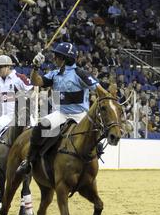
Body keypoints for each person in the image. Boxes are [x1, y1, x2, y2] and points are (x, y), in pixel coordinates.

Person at [16, 42, 104, 175]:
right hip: (61, 114)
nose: (54, 58)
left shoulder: (81, 73)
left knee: (96, 132)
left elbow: (99, 89)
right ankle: (29, 161)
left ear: (65, 59)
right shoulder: (54, 74)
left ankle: (93, 161)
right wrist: (35, 67)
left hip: (80, 115)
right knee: (39, 127)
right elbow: (36, 82)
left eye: (57, 56)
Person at [0, 55, 33, 167]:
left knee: (35, 131)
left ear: (8, 67)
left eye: (0, 68)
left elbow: (32, 91)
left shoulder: (20, 78)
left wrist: (21, 96)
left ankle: (34, 157)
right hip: (5, 116)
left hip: (21, 115)